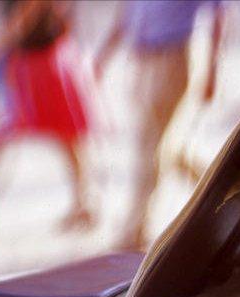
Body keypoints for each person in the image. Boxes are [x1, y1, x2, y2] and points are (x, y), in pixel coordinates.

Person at [0, 0, 93, 235]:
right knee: (65, 136)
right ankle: (84, 201)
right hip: (44, 58)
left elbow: (27, 10)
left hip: (34, 63)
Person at [94, 0, 224, 250]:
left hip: (171, 55)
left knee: (149, 144)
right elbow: (128, 12)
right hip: (140, 58)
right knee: (163, 146)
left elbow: (217, 14)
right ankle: (218, 189)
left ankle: (134, 229)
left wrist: (212, 70)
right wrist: (105, 53)